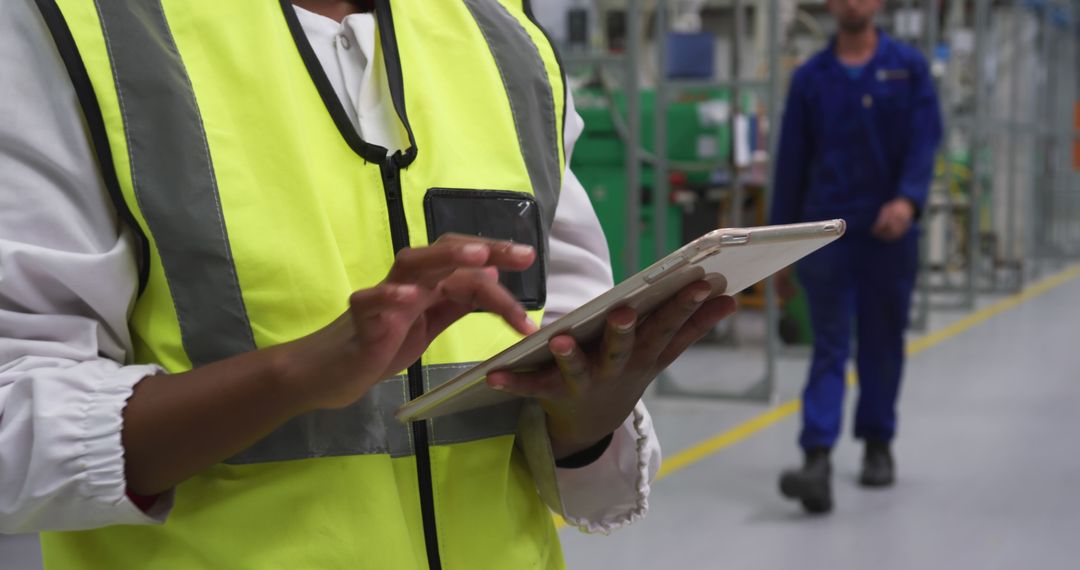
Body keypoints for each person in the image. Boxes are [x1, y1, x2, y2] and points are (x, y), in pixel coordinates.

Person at [0, 0, 737, 568]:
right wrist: (292, 375)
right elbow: (15, 428)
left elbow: (561, 368)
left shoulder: (501, 36)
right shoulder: (83, 32)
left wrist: (591, 414)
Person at [770, 0, 942, 514]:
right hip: (828, 234)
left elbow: (924, 143)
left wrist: (908, 200)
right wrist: (779, 249)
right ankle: (817, 457)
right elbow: (791, 165)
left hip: (889, 237)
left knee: (882, 344)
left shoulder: (908, 69)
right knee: (829, 345)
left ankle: (877, 444)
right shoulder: (810, 80)